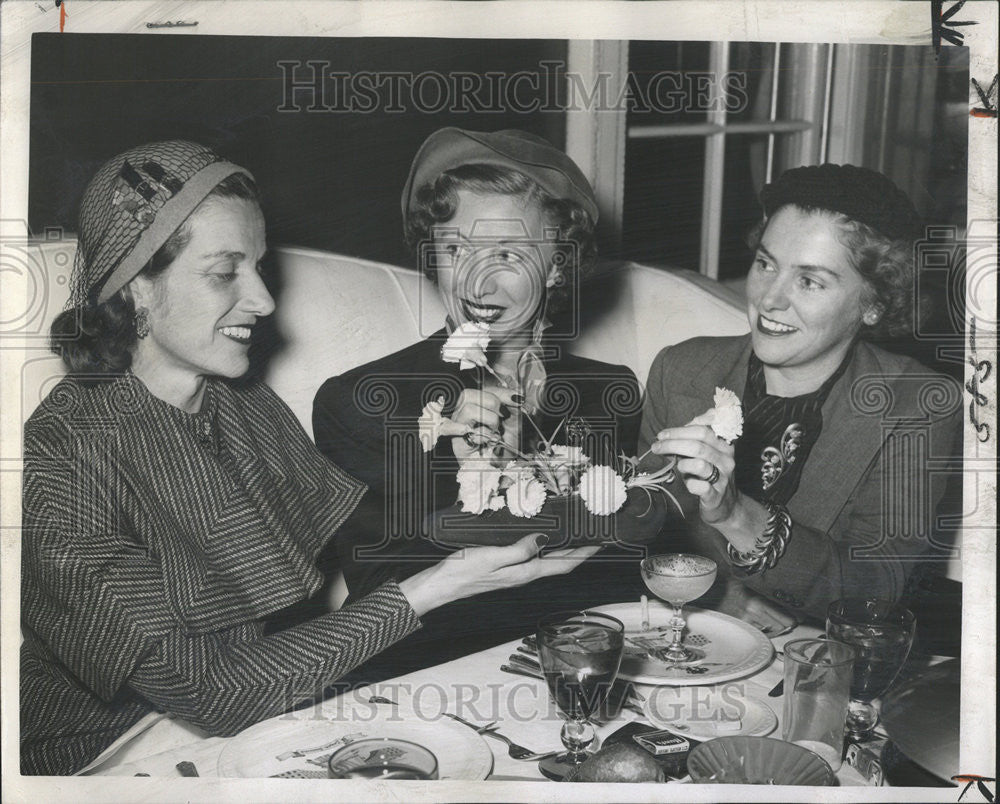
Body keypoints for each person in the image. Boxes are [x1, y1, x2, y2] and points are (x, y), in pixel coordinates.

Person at [20, 140, 599, 776]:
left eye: (260, 268)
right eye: (224, 273)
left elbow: (318, 606)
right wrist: (442, 582)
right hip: (107, 759)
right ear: (134, 288)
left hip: (266, 719)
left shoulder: (243, 406)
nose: (264, 301)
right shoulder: (64, 452)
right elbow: (209, 692)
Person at [311, 128, 646, 680]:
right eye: (456, 248)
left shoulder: (608, 392)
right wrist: (477, 483)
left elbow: (615, 571)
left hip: (575, 672)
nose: (476, 281)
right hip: (426, 680)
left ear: (558, 265)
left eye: (508, 253)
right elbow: (382, 597)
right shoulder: (365, 401)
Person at [639, 164, 962, 629]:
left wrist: (737, 517)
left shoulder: (917, 406)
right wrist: (719, 598)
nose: (769, 299)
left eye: (809, 281)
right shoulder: (681, 369)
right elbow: (642, 529)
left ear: (874, 303)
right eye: (766, 264)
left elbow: (876, 590)